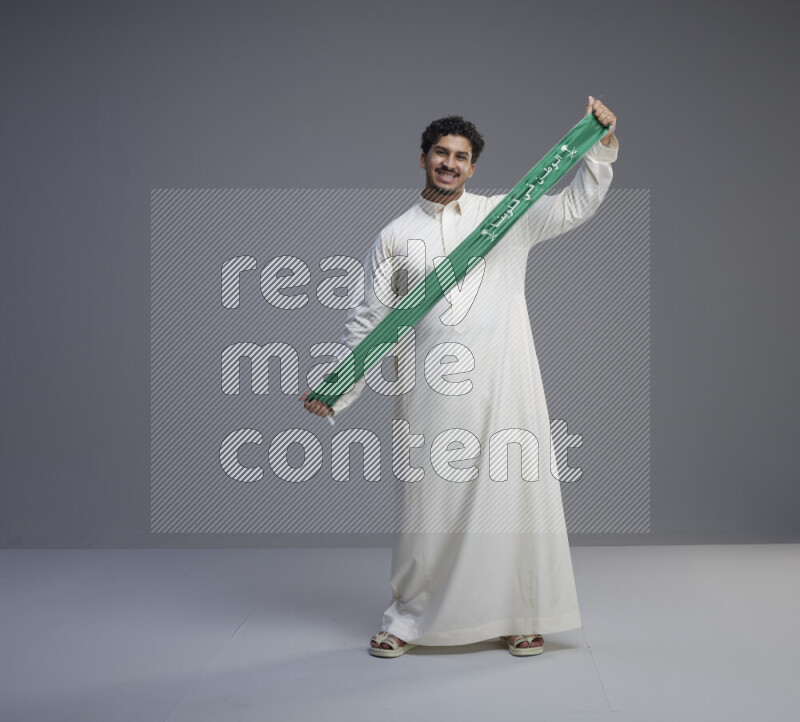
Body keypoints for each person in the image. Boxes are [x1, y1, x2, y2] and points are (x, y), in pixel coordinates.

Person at [300, 97, 618, 657]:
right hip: (431, 388)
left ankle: (522, 615)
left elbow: (574, 206)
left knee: (513, 496)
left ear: (473, 168)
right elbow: (368, 320)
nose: (450, 163)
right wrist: (337, 387)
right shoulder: (394, 236)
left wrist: (601, 143)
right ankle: (407, 618)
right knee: (428, 505)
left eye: (461, 157)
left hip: (507, 381)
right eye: (441, 154)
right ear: (421, 159)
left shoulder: (503, 218)